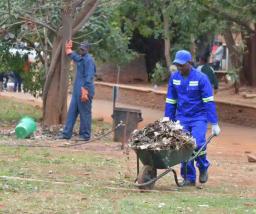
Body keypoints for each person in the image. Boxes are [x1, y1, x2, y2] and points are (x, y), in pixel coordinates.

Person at [164, 50, 220, 186]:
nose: (179, 68)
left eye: (182, 65)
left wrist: (214, 123)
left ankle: (203, 167)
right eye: (177, 65)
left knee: (199, 143)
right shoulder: (174, 78)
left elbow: (208, 101)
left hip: (198, 117)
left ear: (190, 63)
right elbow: (171, 101)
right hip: (182, 117)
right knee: (184, 146)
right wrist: (167, 119)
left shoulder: (201, 78)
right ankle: (188, 177)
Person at [58, 40, 96, 141]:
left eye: (84, 49)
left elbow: (89, 76)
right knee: (71, 112)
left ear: (87, 49)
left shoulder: (89, 60)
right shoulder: (82, 58)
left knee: (85, 113)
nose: (82, 51)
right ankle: (66, 134)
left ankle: (85, 135)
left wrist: (85, 90)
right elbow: (75, 57)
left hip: (85, 90)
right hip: (76, 91)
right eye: (81, 49)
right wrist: (69, 51)